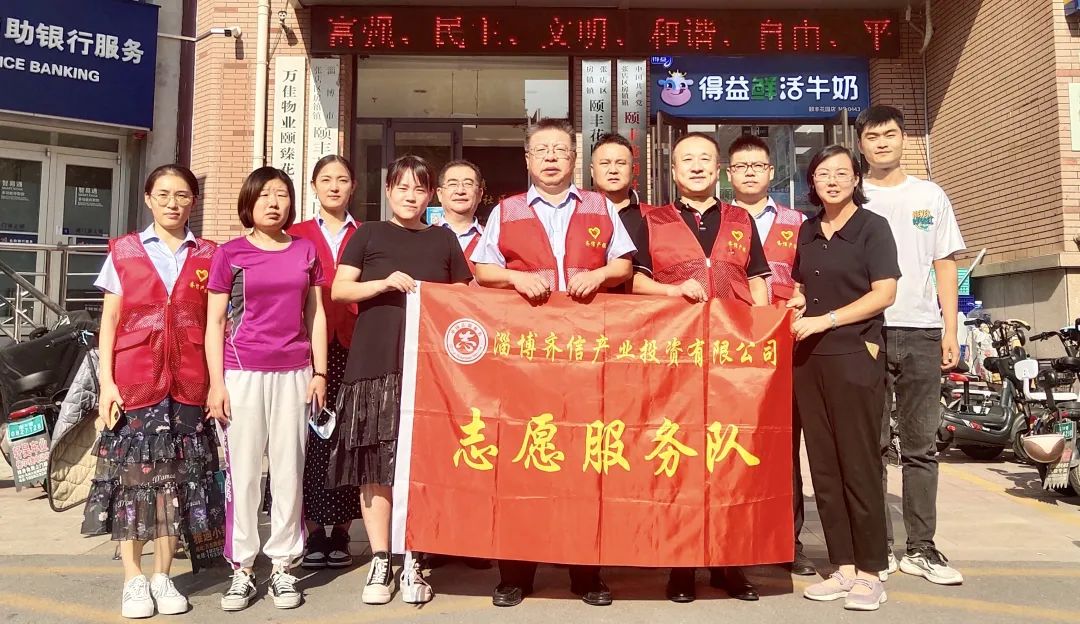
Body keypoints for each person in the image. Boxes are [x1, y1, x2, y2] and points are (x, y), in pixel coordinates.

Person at [471, 118, 635, 608]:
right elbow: (483, 267)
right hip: (525, 357)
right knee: (522, 458)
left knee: (586, 459)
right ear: (527, 159)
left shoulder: (600, 206)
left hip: (587, 355)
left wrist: (600, 275)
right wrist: (515, 279)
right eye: (541, 150)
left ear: (573, 159)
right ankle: (515, 572)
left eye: (559, 150)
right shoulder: (506, 210)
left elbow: (624, 264)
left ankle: (587, 572)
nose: (550, 158)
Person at [622, 132, 768, 603]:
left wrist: (764, 331)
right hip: (674, 358)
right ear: (673, 170)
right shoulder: (651, 220)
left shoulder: (742, 219)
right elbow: (633, 283)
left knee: (730, 459)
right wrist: (672, 291)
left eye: (706, 158)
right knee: (678, 459)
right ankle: (681, 565)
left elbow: (759, 281)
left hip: (731, 360)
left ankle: (729, 563)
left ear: (718, 168)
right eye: (688, 159)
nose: (698, 166)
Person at [327, 155, 473, 606]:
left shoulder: (444, 239)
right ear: (388, 190)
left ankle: (414, 556)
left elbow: (465, 297)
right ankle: (380, 558)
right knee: (374, 465)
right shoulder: (368, 234)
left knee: (421, 463)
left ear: (431, 196)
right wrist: (383, 283)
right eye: (402, 188)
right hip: (373, 364)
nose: (411, 196)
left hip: (429, 368)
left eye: (420, 189)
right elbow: (340, 289)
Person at [83, 164, 223, 619]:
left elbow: (216, 323)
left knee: (177, 480)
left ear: (193, 202)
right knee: (135, 480)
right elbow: (109, 320)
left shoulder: (208, 254)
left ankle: (163, 575)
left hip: (189, 382)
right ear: (148, 199)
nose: (172, 203)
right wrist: (107, 383)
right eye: (163, 194)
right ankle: (133, 579)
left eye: (182, 195)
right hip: (134, 381)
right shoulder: (124, 250)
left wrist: (216, 384)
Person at [205, 167, 328, 612]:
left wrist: (319, 373)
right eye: (265, 196)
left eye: (282, 195)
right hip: (242, 374)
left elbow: (316, 314)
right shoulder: (230, 254)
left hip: (294, 372)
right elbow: (215, 322)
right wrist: (216, 383)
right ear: (249, 203)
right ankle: (242, 567)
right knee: (242, 473)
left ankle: (283, 565)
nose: (274, 203)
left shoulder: (305, 251)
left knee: (288, 470)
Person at [858, 105, 966, 585]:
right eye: (872, 136)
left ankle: (921, 547)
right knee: (873, 445)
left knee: (922, 446)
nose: (881, 143)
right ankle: (877, 546)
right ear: (861, 144)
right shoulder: (854, 196)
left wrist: (950, 329)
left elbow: (945, 263)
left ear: (904, 139)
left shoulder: (930, 195)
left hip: (922, 331)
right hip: (868, 332)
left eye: (889, 135)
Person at [788, 144, 898, 611]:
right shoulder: (808, 229)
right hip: (809, 359)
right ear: (811, 182)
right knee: (824, 466)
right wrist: (797, 300)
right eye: (822, 174)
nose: (831, 181)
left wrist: (827, 319)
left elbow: (884, 293)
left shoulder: (873, 227)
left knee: (859, 463)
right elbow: (802, 284)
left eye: (841, 173)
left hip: (855, 354)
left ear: (856, 179)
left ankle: (871, 572)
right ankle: (843, 568)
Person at [726, 135, 815, 577]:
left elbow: (812, 276)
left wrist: (805, 297)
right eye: (741, 166)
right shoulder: (716, 221)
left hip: (785, 348)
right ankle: (731, 539)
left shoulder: (798, 222)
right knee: (730, 445)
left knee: (783, 446)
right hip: (728, 351)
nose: (749, 173)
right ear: (729, 174)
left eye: (757, 166)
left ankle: (787, 542)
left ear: (771, 172)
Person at [287, 155, 363, 570]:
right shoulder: (295, 235)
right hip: (305, 348)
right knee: (309, 437)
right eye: (326, 179)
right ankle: (314, 529)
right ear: (314, 185)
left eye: (343, 179)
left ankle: (343, 531)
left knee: (350, 436)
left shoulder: (366, 234)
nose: (334, 186)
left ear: (353, 186)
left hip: (355, 346)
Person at [435, 159, 485, 272]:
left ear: (479, 194)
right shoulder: (423, 237)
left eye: (468, 184)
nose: (460, 191)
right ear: (440, 194)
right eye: (452, 184)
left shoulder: (492, 239)